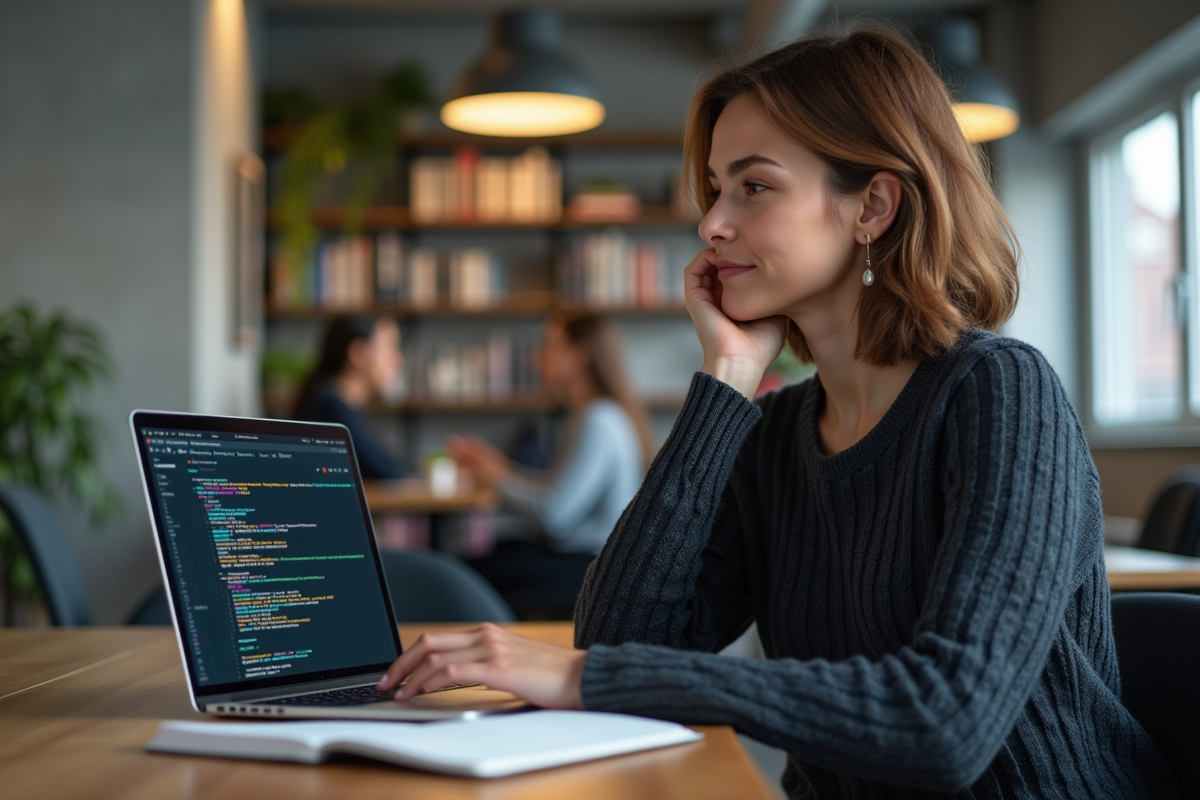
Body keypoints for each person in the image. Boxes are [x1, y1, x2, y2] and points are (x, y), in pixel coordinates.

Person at [376, 28, 1175, 798]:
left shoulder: (999, 391)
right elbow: (619, 646)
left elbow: (946, 722)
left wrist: (591, 677)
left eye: (753, 187)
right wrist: (725, 381)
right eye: (715, 189)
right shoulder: (776, 436)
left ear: (873, 207)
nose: (711, 224)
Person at [450, 312, 651, 618]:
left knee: (464, 574)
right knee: (482, 560)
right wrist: (500, 469)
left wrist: (497, 478)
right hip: (583, 558)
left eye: (549, 345)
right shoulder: (596, 414)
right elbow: (557, 492)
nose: (539, 355)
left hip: (588, 565)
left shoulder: (598, 419)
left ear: (579, 354)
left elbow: (554, 514)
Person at [292, 314, 405, 480]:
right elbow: (384, 471)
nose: (398, 360)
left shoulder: (344, 404)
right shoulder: (332, 406)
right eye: (388, 349)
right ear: (358, 354)